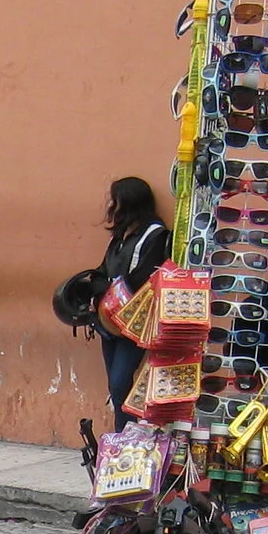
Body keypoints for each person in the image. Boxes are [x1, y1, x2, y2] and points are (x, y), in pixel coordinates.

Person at [95, 175, 172, 429]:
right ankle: (122, 437)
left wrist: (110, 292)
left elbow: (143, 277)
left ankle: (128, 438)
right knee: (115, 386)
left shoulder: (155, 234)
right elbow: (105, 269)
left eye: (116, 201)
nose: (111, 206)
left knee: (121, 383)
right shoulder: (119, 237)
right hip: (109, 322)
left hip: (134, 322)